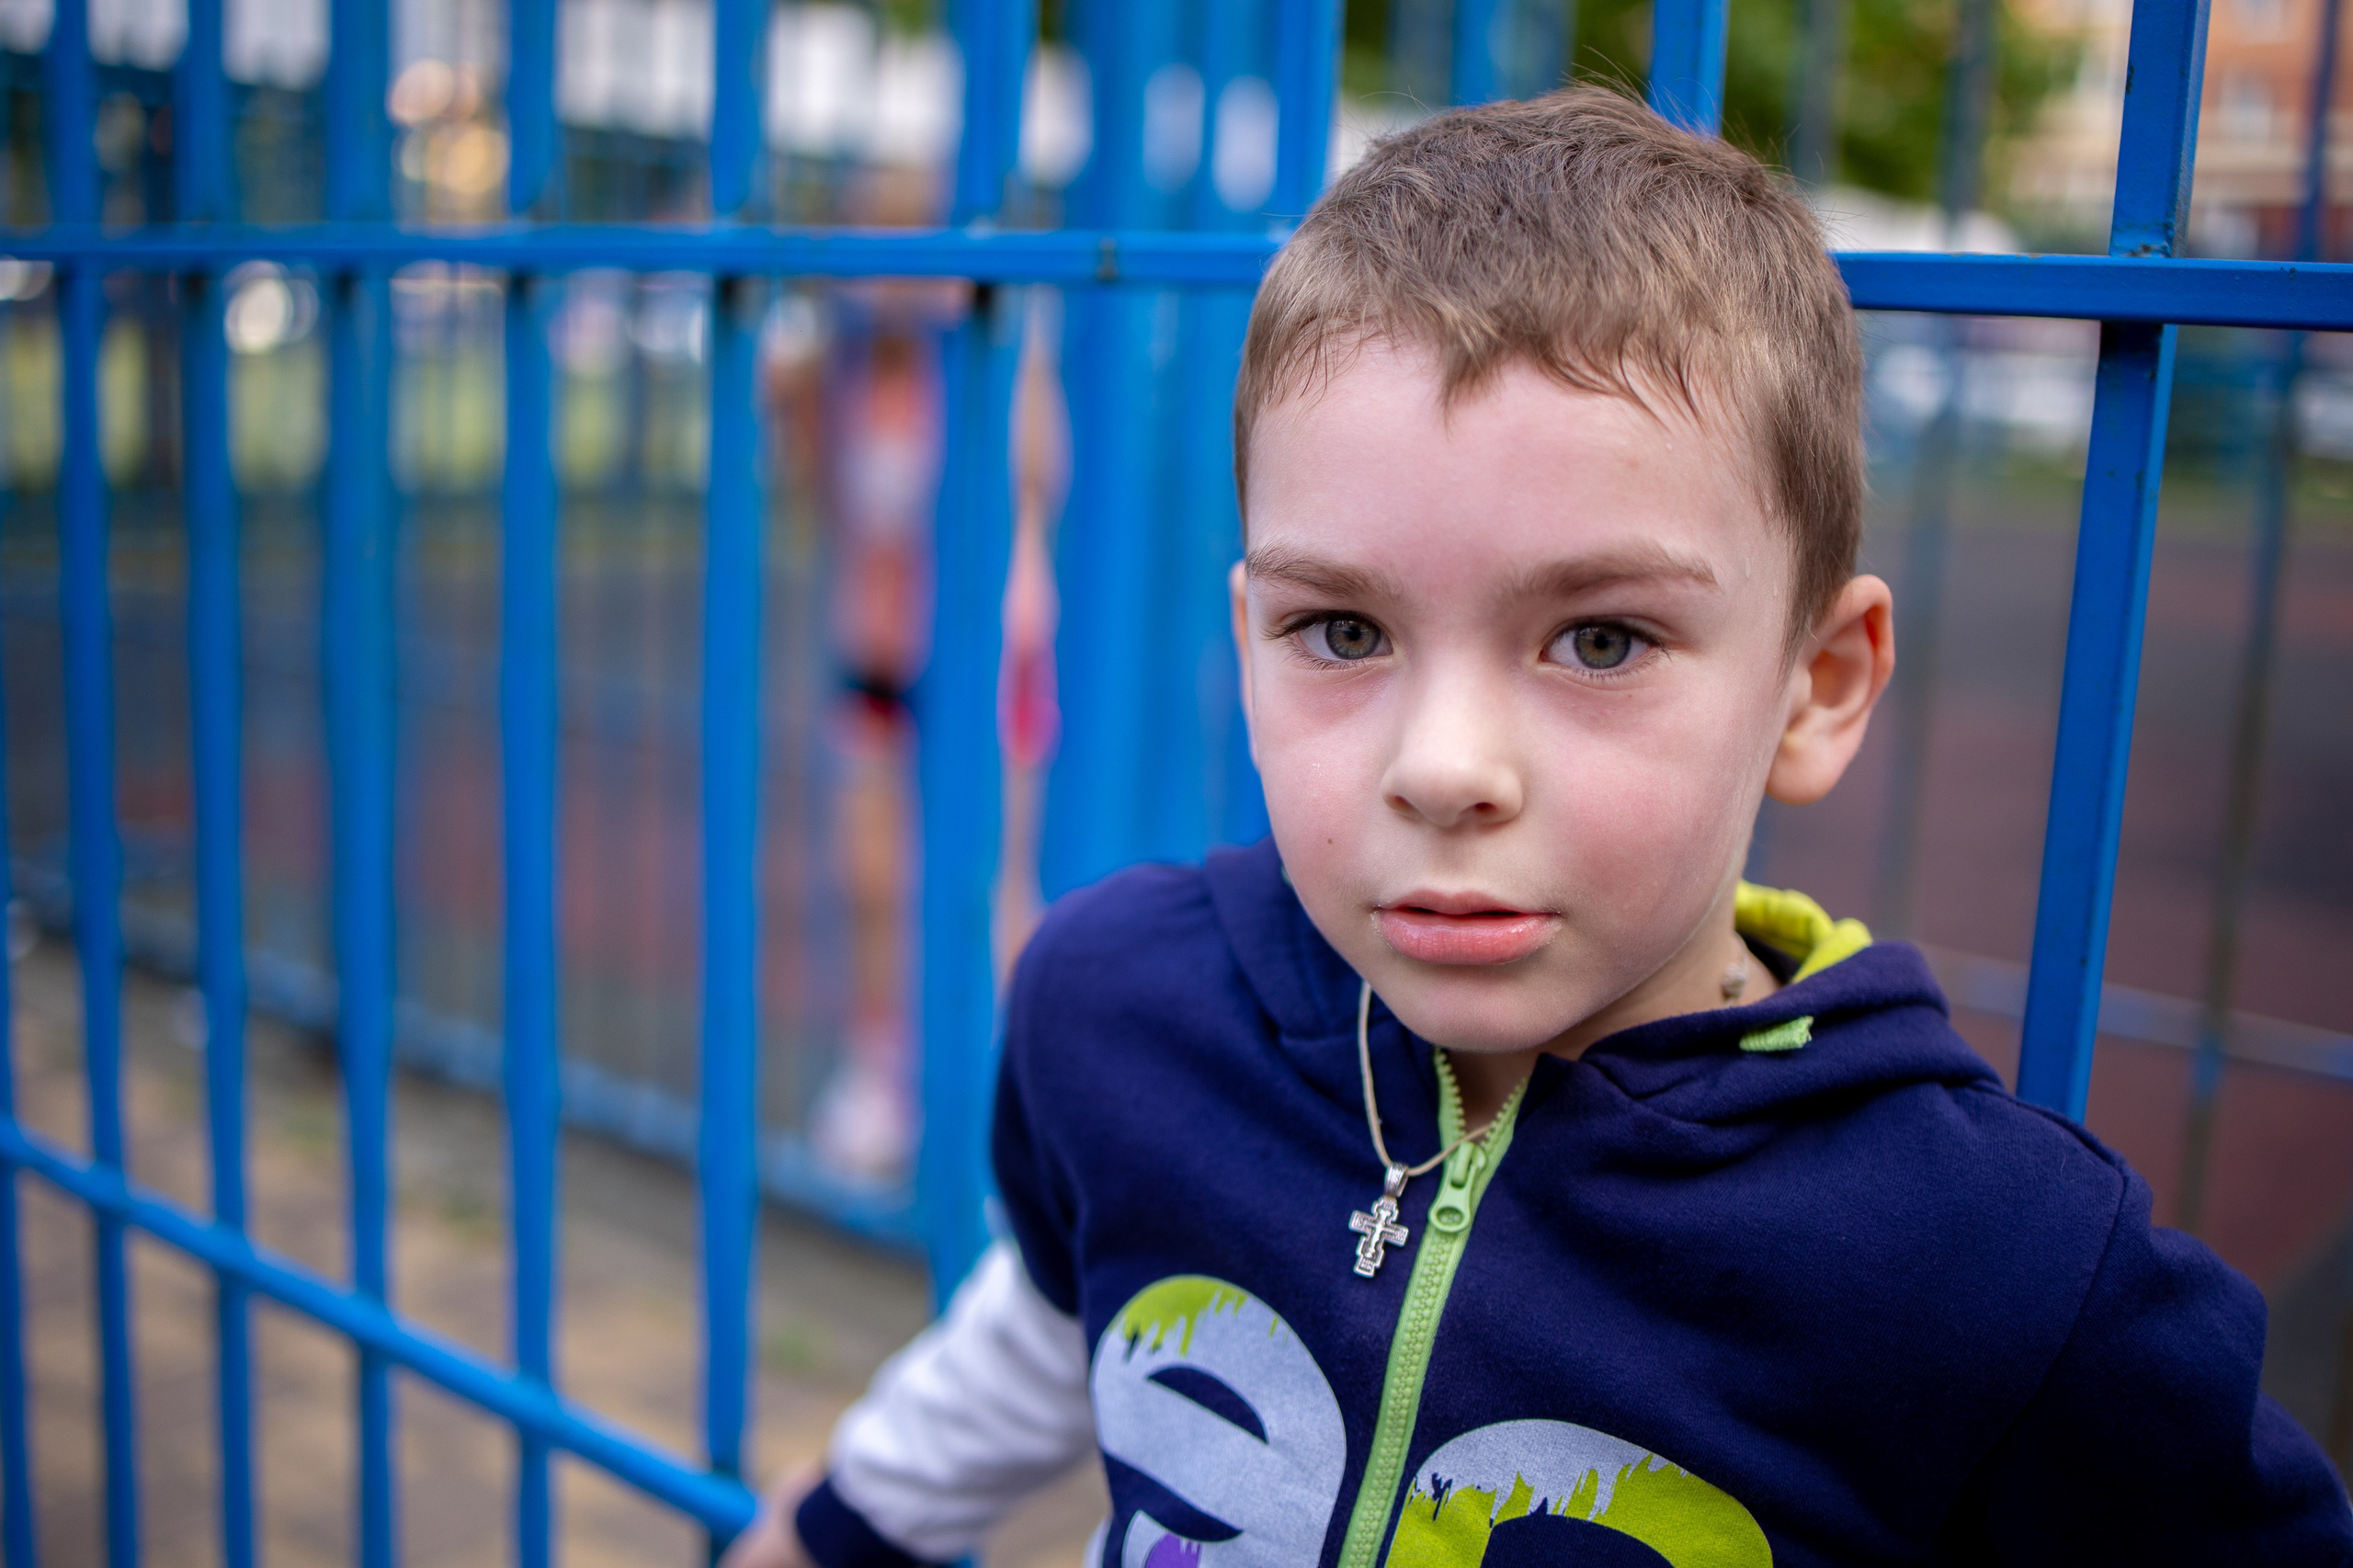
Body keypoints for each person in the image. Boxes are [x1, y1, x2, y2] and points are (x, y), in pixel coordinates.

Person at [726, 86, 2353, 1568]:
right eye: (1343, 632)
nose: (1444, 767)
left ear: (1815, 685)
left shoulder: (1982, 1268)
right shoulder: (1121, 1005)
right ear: (1246, 639)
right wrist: (834, 1529)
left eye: (1602, 639)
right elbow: (1061, 1308)